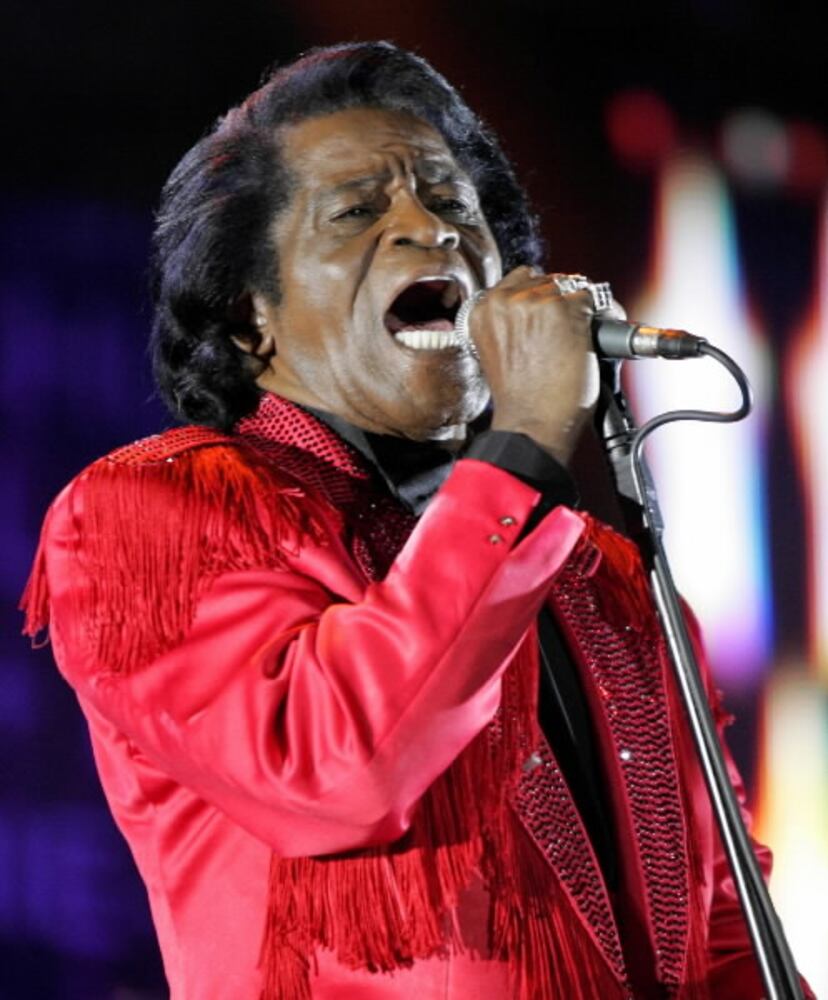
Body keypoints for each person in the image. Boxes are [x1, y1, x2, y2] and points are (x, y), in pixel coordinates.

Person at [22, 42, 807, 999]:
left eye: (451, 204)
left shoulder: (600, 576)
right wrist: (524, 443)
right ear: (249, 316)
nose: (430, 230)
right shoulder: (151, 512)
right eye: (358, 212)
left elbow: (725, 928)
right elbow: (335, 771)